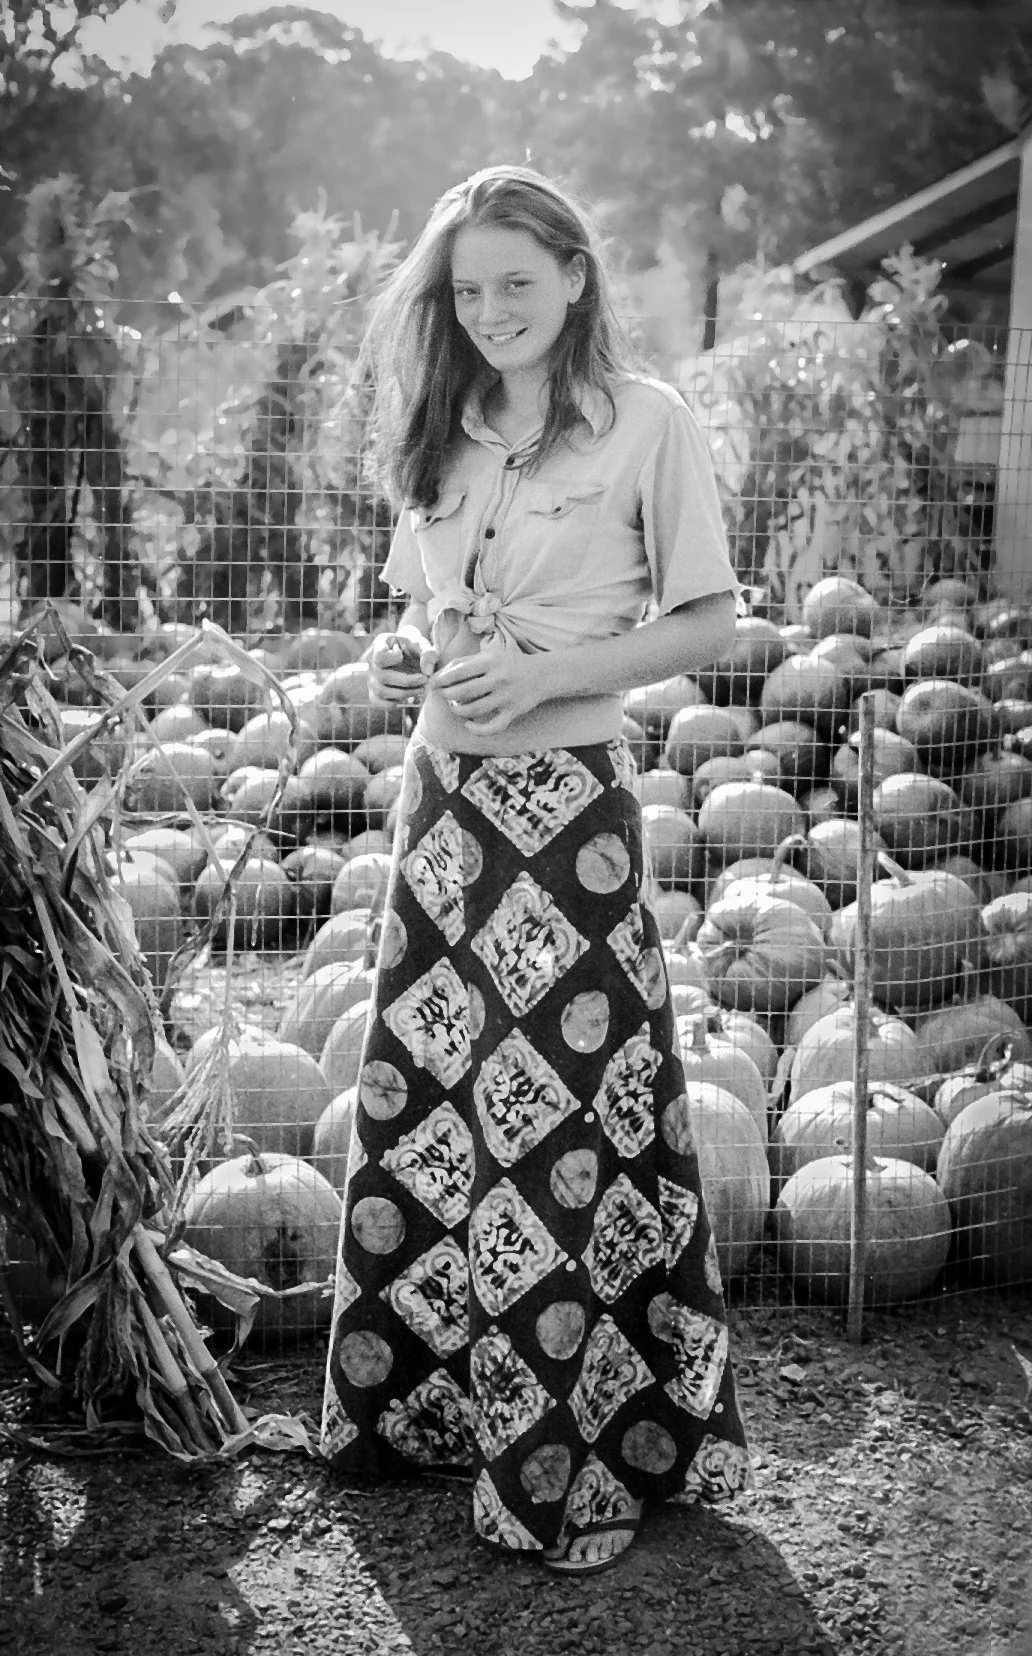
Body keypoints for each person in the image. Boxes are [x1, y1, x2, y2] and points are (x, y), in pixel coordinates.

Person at [320, 163, 751, 1576]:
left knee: (561, 1135)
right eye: (467, 289)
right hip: (440, 814)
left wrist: (551, 670)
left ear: (576, 275)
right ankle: (430, 1419)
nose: (492, 310)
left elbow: (709, 620)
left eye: (517, 280)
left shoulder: (649, 425)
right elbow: (413, 611)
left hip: (566, 817)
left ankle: (579, 1456)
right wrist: (409, 662)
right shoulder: (445, 423)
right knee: (433, 1111)